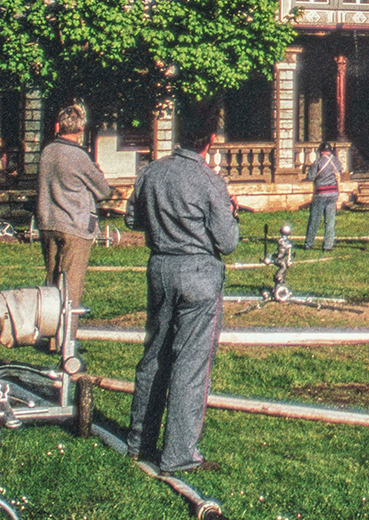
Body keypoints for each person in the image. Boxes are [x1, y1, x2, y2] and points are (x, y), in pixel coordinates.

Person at [122, 114, 240, 475]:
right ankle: (179, 454)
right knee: (190, 365)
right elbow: (228, 241)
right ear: (211, 140)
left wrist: (164, 221)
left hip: (160, 268)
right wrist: (231, 213)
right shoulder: (210, 181)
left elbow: (131, 219)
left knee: (154, 355)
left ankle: (138, 442)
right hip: (198, 273)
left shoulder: (151, 172)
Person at [35, 103, 114, 309]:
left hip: (48, 222)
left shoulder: (47, 152)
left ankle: (50, 335)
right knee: (70, 291)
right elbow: (104, 191)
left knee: (52, 288)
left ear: (57, 127)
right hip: (75, 225)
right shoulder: (79, 156)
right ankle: (65, 340)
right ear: (81, 130)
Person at [305, 140, 344, 251]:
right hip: (333, 193)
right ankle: (328, 245)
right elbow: (339, 173)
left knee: (314, 220)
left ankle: (309, 243)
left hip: (320, 193)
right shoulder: (337, 162)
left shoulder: (318, 162)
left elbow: (311, 177)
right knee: (330, 221)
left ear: (321, 151)